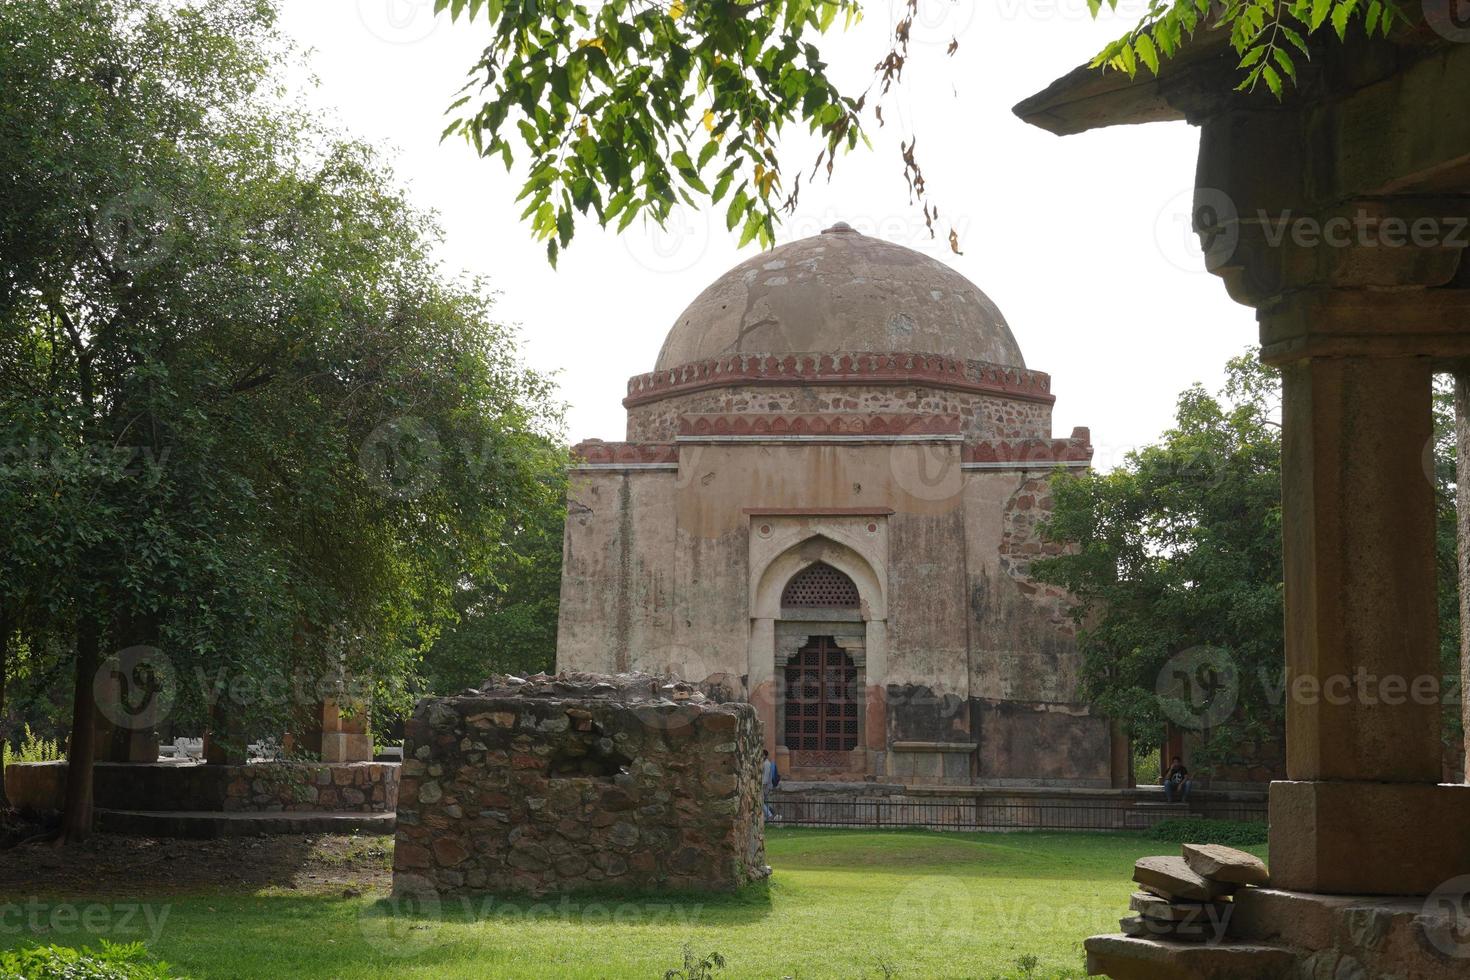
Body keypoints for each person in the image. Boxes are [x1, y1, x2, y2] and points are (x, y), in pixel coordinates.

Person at [760, 748, 780, 821]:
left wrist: (762, 787)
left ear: (765, 755)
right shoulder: (764, 763)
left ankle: (770, 815)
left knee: (761, 802)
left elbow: (766, 777)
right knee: (765, 802)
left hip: (765, 787)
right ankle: (774, 814)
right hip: (765, 787)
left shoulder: (767, 764)